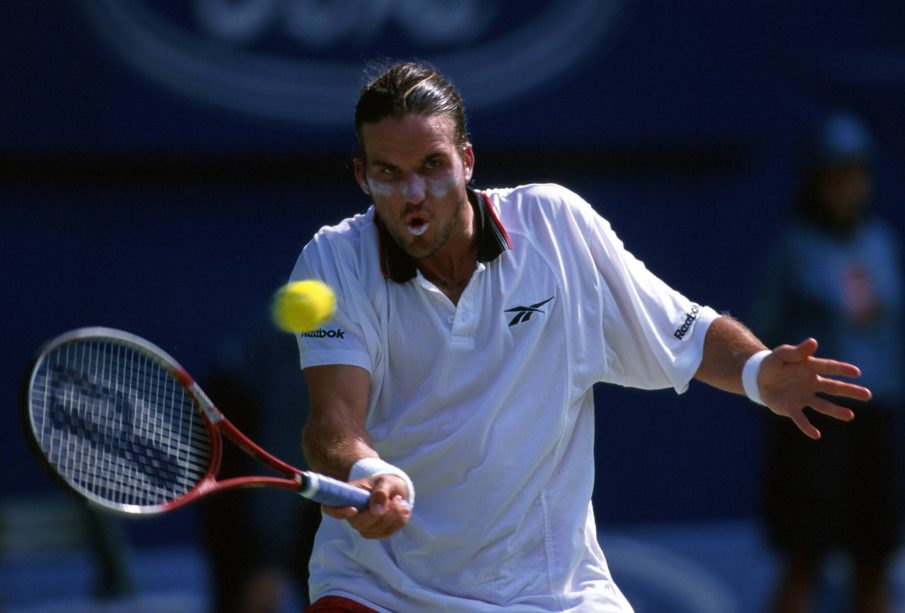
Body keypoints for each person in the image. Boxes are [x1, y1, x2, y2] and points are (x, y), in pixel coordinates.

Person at [289, 62, 872, 612]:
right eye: (390, 173)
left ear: (466, 161)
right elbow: (333, 424)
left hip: (548, 592)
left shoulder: (555, 228)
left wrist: (757, 370)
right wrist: (364, 472)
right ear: (362, 176)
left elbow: (685, 331)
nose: (414, 193)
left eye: (432, 166)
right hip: (380, 592)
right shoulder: (333, 261)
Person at [753, 112, 903, 613]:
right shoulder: (793, 249)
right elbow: (763, 339)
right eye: (835, 177)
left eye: (855, 176)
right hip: (813, 428)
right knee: (804, 559)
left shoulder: (882, 243)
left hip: (876, 423)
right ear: (816, 182)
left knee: (874, 561)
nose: (846, 189)